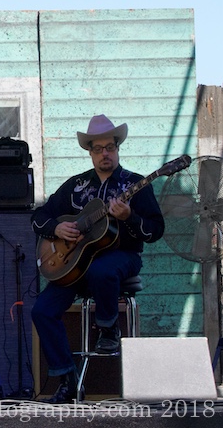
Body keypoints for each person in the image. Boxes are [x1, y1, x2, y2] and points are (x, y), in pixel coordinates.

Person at [31, 115, 164, 403]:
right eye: (99, 148)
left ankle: (108, 328)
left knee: (102, 270)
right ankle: (66, 379)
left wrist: (130, 216)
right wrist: (56, 227)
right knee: (41, 310)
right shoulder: (76, 185)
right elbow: (39, 216)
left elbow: (155, 231)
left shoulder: (136, 184)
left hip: (121, 259)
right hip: (76, 265)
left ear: (117, 149)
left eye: (110, 147)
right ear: (90, 152)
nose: (105, 153)